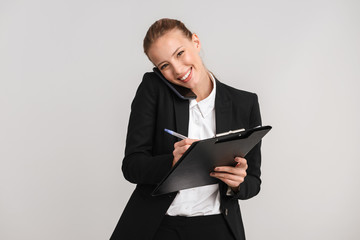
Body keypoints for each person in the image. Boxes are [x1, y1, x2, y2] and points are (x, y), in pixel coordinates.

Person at [110, 18, 262, 240]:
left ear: (196, 42)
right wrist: (172, 162)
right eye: (164, 66)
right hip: (159, 227)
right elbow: (131, 166)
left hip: (217, 227)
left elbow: (253, 182)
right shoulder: (153, 89)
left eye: (180, 53)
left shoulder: (244, 103)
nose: (178, 70)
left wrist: (238, 183)